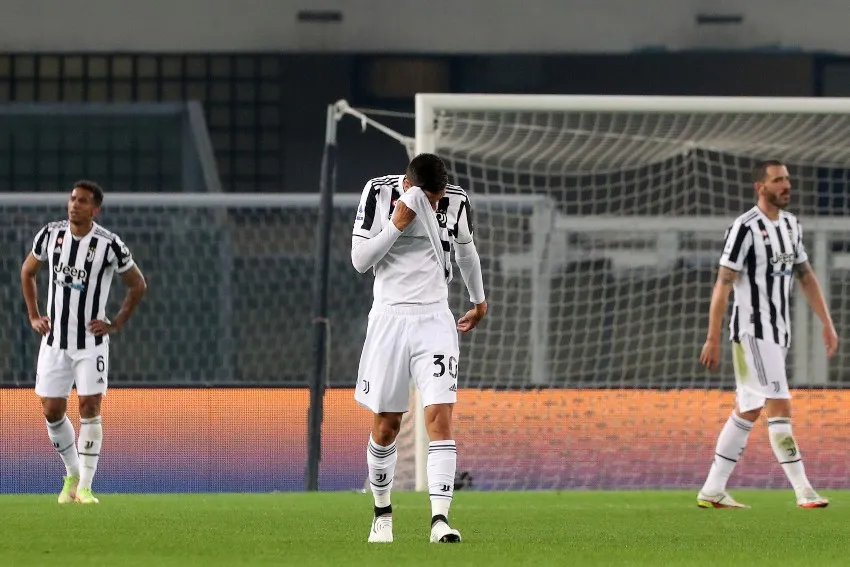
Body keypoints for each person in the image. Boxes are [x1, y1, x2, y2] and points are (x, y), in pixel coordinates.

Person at [351, 154, 487, 543]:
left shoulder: (456, 200)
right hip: (389, 321)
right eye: (428, 200)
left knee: (439, 417)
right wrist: (396, 226)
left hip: (434, 321)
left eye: (438, 199)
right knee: (386, 425)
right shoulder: (378, 192)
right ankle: (382, 515)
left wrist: (479, 301)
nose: (434, 206)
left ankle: (440, 521)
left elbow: (466, 251)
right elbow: (360, 260)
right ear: (409, 188)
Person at [697, 160, 838, 509]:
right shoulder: (744, 228)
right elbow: (723, 283)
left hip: (778, 334)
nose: (786, 185)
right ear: (761, 187)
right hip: (752, 333)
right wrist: (713, 337)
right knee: (780, 405)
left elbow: (805, 275)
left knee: (748, 410)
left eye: (787, 179)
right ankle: (803, 490)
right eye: (778, 180)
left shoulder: (791, 226)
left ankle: (712, 489)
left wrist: (827, 321)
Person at [21, 180, 147, 504]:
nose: (74, 204)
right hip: (54, 341)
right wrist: (35, 315)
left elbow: (137, 284)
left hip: (90, 342)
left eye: (83, 201)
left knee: (89, 405)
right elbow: (28, 271)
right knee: (51, 410)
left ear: (95, 209)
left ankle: (87, 487)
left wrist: (115, 323)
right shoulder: (50, 235)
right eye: (72, 198)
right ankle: (72, 474)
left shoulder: (109, 245)